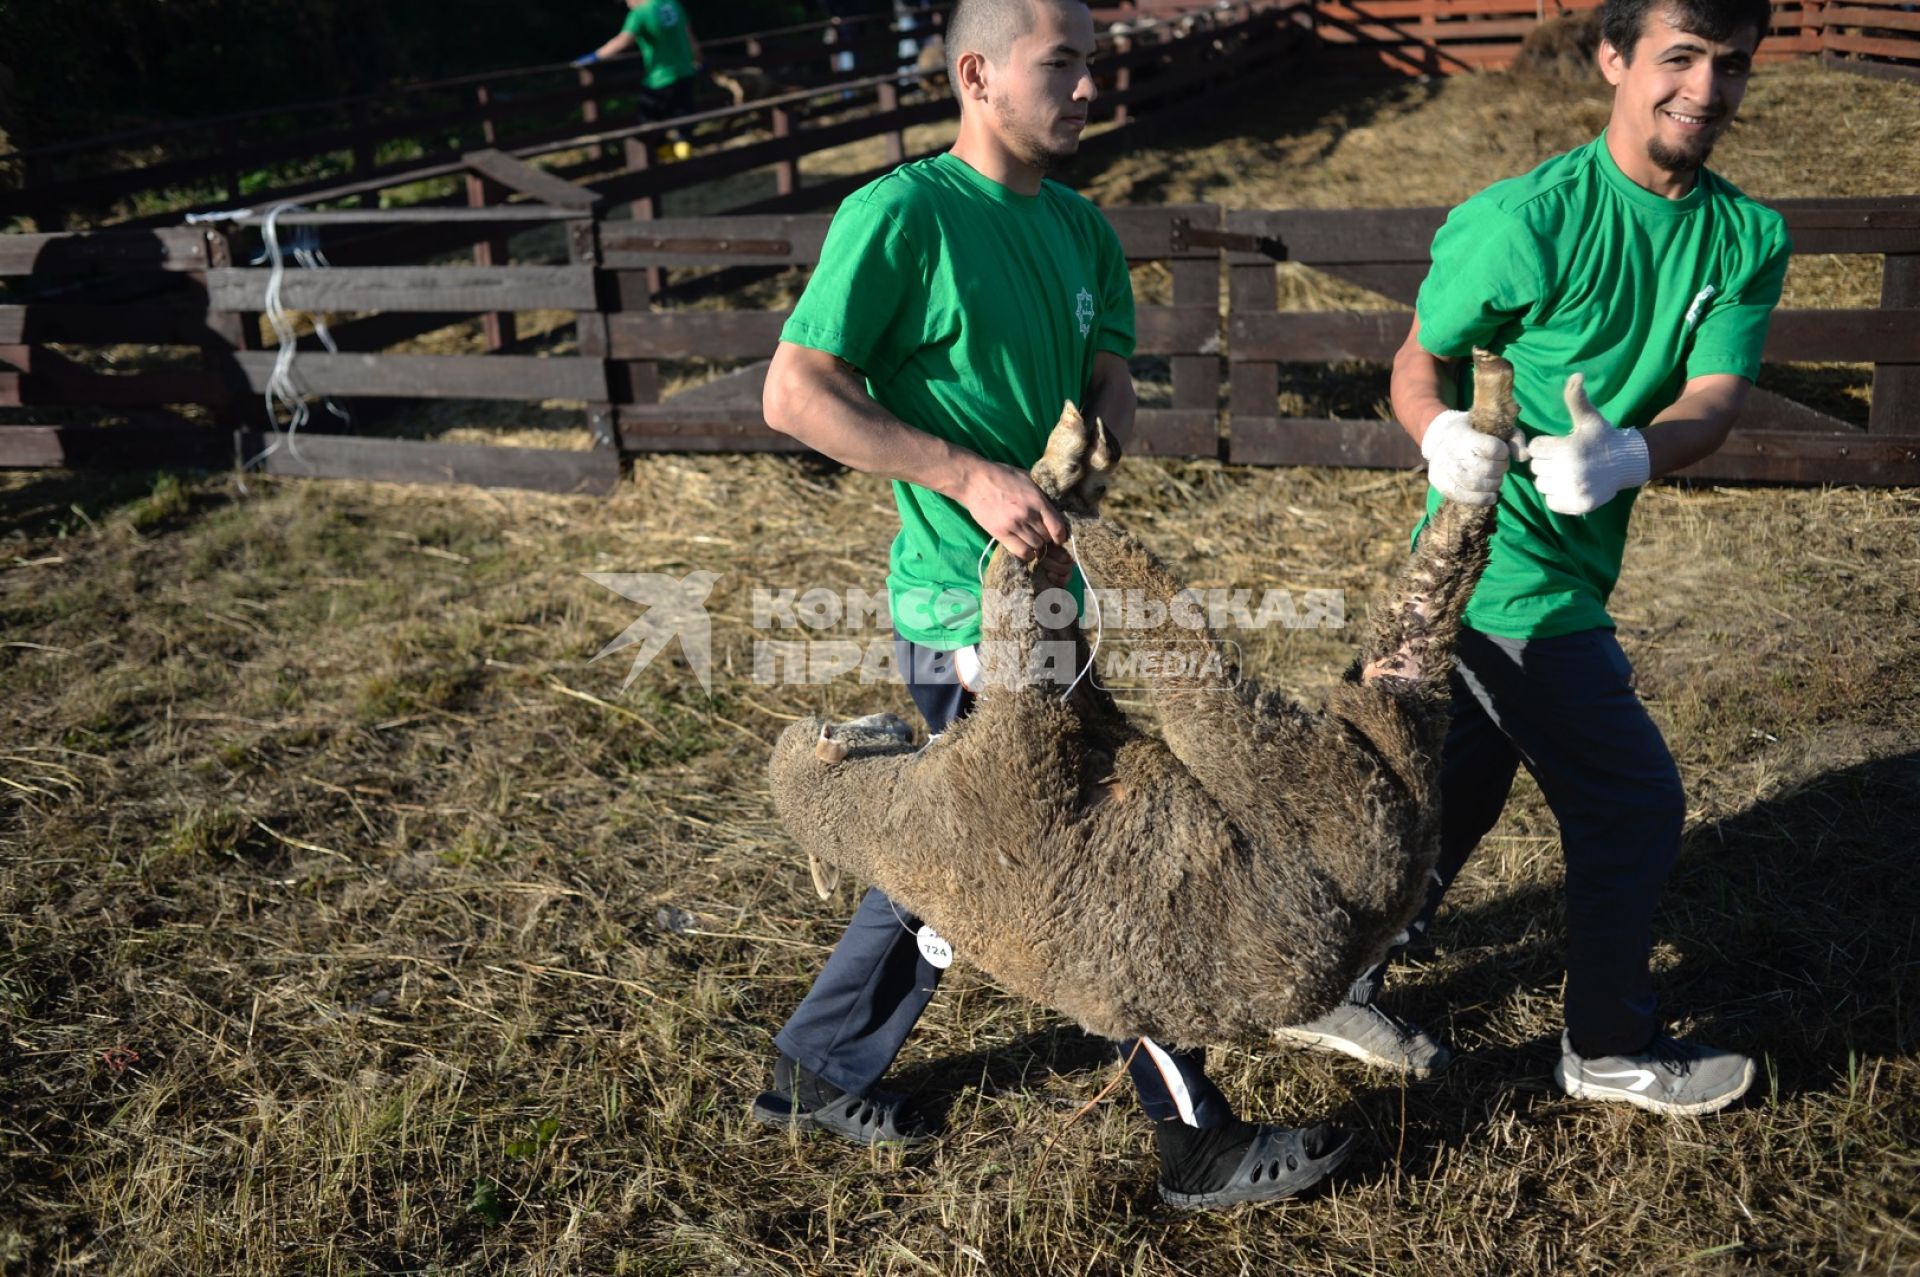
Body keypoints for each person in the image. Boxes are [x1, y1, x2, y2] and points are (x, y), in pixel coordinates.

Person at [752, 0, 1353, 1209]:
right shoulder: (904, 216)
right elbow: (795, 395)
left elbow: (1109, 367)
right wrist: (969, 476)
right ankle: (1196, 1138)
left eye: (1094, 63)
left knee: (960, 857)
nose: (1090, 88)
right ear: (979, 74)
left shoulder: (1078, 226)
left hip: (1055, 599)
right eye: (1065, 65)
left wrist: (1105, 426)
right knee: (1076, 858)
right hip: (966, 610)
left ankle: (817, 1063)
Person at [1276, 0, 1789, 1117]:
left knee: (1449, 799)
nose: (1705, 89)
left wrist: (1637, 452)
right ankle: (1608, 1041)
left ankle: (1326, 972)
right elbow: (1422, 356)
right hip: (1500, 570)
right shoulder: (1523, 221)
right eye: (1680, 58)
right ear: (1614, 58)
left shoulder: (1747, 236)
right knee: (1636, 803)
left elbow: (1714, 397)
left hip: (1568, 556)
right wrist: (1438, 431)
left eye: (1732, 64)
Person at [574, 0, 703, 160]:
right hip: (685, 72)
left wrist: (594, 57)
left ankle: (669, 159)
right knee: (683, 119)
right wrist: (698, 60)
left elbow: (622, 41)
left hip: (660, 77)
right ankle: (684, 157)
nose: (627, 4)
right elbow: (690, 37)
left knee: (648, 122)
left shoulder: (640, 13)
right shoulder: (673, 4)